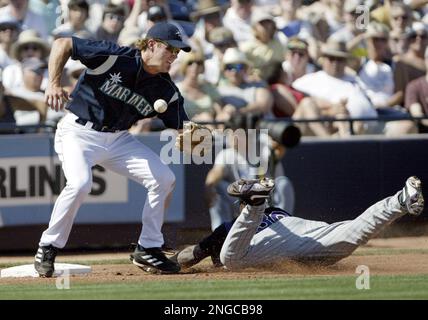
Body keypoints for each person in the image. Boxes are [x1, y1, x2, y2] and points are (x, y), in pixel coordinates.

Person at [34, 22, 192, 277]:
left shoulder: (166, 89)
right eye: (171, 49)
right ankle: (48, 245)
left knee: (164, 178)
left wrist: (192, 137)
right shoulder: (114, 57)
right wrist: (52, 83)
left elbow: (186, 128)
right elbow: (62, 43)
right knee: (81, 184)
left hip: (118, 140)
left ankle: (149, 247)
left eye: (178, 52)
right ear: (151, 44)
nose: (175, 56)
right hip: (79, 132)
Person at [172, 176, 424, 270]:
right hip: (304, 231)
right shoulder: (278, 211)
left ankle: (255, 205)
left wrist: (170, 262)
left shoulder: (228, 227)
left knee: (231, 260)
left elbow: (190, 256)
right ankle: (400, 200)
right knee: (354, 232)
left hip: (272, 241)